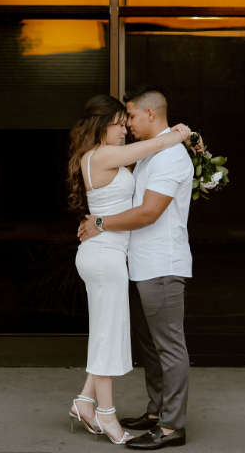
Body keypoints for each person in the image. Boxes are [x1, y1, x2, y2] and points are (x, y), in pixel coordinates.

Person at [67, 94, 191, 446]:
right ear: (101, 125)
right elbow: (159, 141)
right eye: (120, 122)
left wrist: (191, 147)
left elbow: (146, 184)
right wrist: (182, 133)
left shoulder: (111, 156)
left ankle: (85, 402)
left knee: (108, 332)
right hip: (106, 256)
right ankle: (104, 413)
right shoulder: (105, 154)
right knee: (106, 335)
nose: (125, 128)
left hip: (111, 254)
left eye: (128, 120)